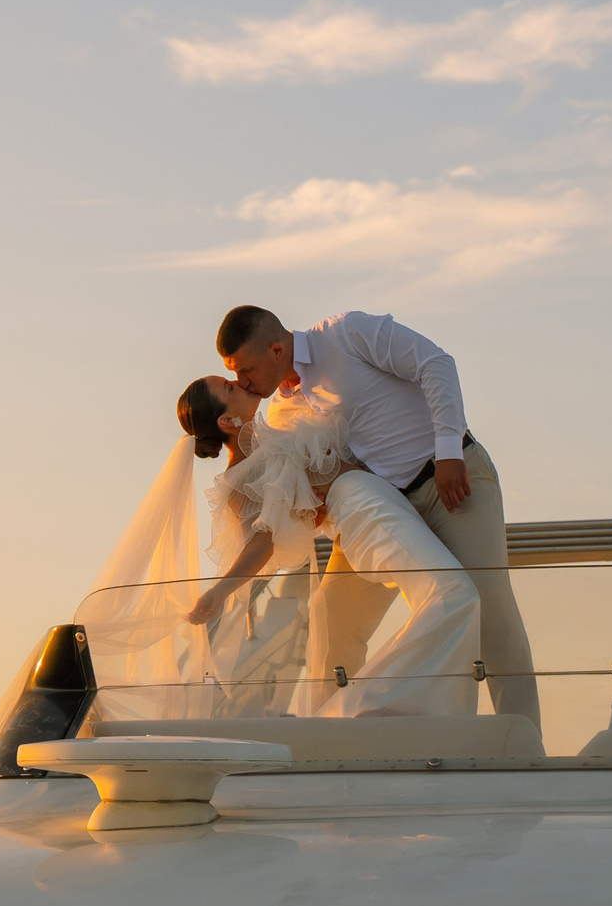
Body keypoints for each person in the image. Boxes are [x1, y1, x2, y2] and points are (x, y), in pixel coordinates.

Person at [218, 306, 541, 724]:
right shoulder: (278, 416)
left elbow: (435, 364)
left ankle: (528, 747)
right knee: (332, 617)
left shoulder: (346, 333)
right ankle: (327, 745)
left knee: (493, 620)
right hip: (383, 515)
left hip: (450, 485)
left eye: (246, 370)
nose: (242, 382)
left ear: (277, 349)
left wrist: (447, 452)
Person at [175, 375, 481, 718]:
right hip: (361, 510)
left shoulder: (277, 430)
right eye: (229, 388)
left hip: (369, 510)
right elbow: (261, 545)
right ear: (226, 421)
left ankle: (335, 722)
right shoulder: (241, 479)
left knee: (331, 633)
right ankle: (359, 712)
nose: (239, 382)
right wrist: (220, 591)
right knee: (453, 594)